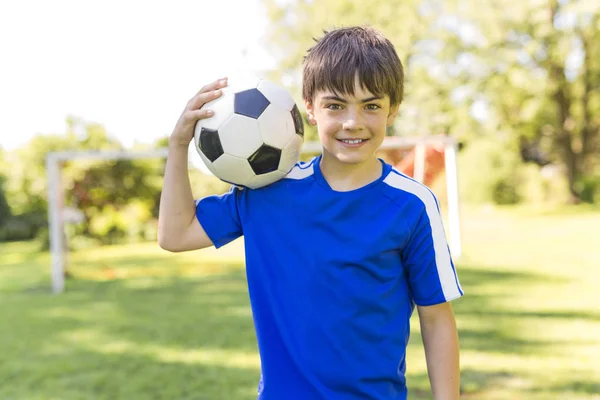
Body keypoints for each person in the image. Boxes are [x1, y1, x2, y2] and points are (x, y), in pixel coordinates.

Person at [158, 26, 463, 400]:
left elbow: (435, 319)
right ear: (309, 108)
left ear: (393, 109)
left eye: (371, 105)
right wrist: (178, 144)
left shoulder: (412, 204)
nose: (353, 122)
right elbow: (174, 235)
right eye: (335, 105)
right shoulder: (268, 190)